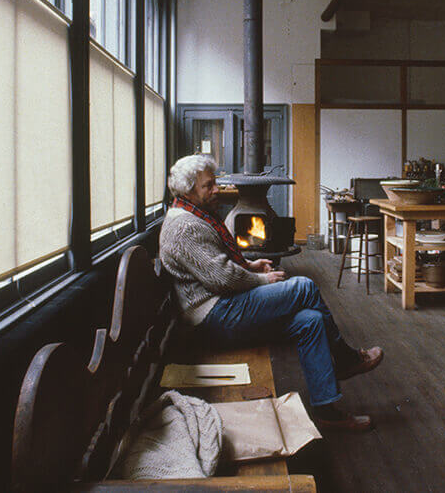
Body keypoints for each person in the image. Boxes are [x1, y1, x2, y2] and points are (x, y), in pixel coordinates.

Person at [159, 154, 383, 432]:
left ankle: (327, 411)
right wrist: (262, 279)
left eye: (215, 182)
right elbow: (223, 278)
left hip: (222, 308)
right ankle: (346, 360)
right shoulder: (185, 226)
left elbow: (215, 265)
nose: (216, 189)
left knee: (310, 320)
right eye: (208, 185)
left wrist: (250, 264)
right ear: (188, 190)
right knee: (304, 287)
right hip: (212, 318)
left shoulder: (192, 215)